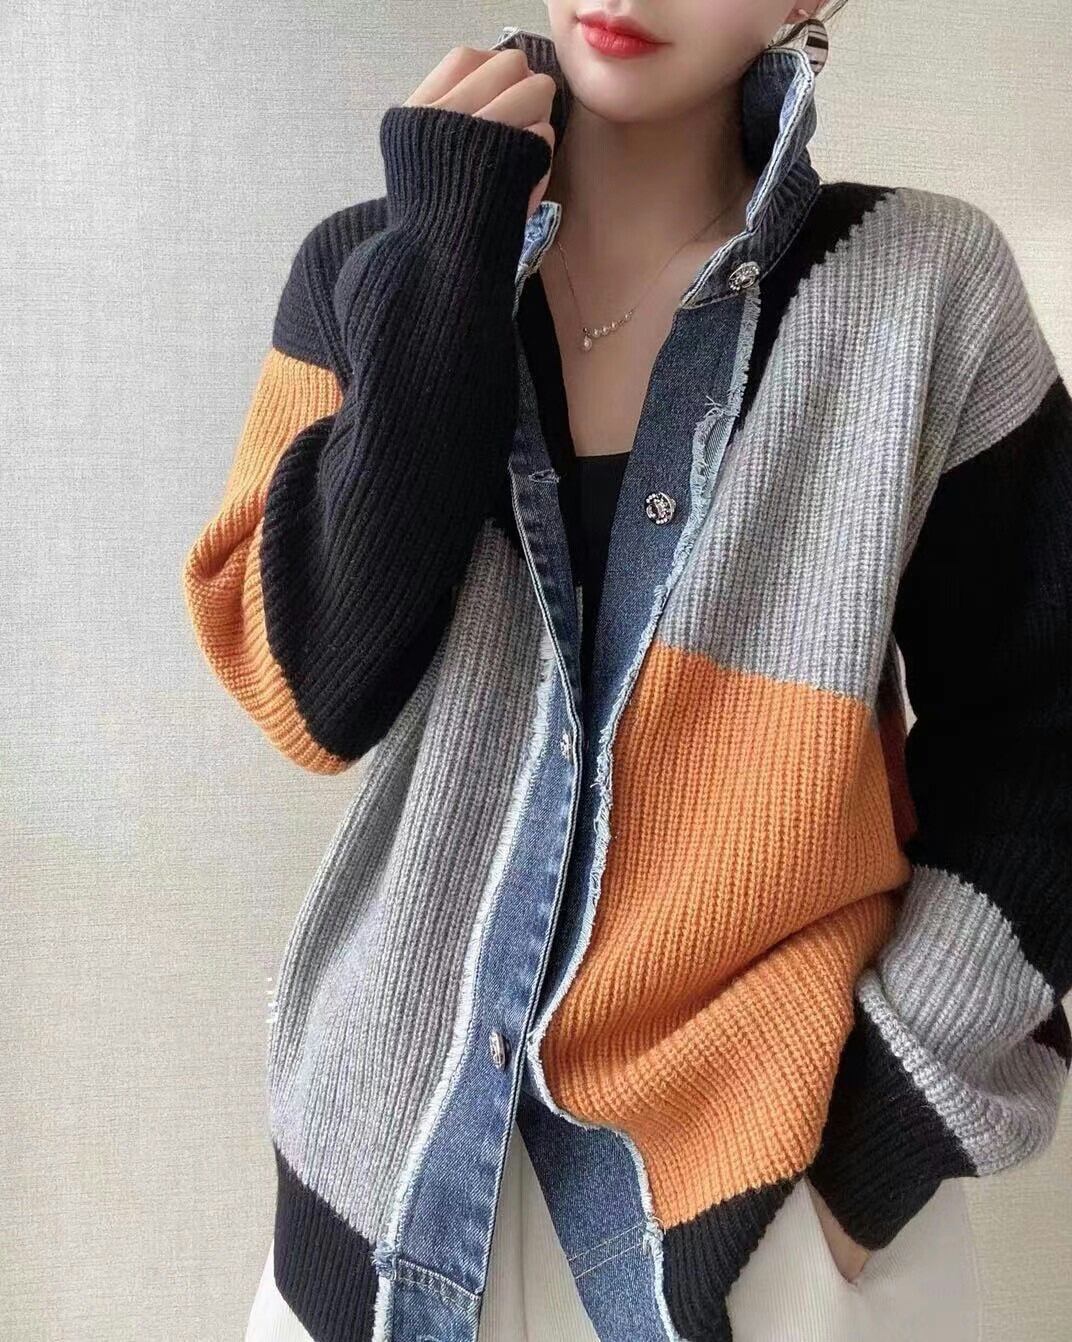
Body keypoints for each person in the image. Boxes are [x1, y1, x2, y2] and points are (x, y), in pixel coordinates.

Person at [183, 6, 1070, 1342]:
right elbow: (311, 693)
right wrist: (444, 258)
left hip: (767, 1211)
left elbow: (1041, 746)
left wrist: (868, 1160)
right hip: (384, 1211)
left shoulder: (925, 288)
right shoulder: (374, 264)